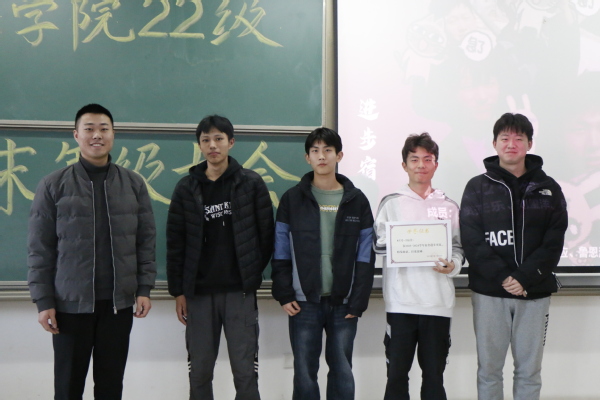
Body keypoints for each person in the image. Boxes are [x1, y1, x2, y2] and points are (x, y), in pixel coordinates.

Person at [27, 103, 157, 400]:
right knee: (68, 387)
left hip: (117, 306)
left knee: (111, 387)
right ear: (76, 135)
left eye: (103, 129)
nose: (96, 135)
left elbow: (146, 241)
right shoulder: (53, 184)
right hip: (69, 307)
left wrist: (144, 288)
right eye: (89, 129)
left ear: (113, 134)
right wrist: (43, 301)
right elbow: (39, 248)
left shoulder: (133, 183)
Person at [460, 113, 568, 400]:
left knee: (529, 372)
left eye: (519, 138)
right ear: (494, 143)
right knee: (489, 371)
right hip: (489, 292)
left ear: (529, 144)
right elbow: (472, 239)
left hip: (534, 292)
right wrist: (504, 277)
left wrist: (524, 278)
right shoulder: (477, 187)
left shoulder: (549, 188)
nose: (511, 144)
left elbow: (554, 241)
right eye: (505, 138)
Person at [166, 114, 274, 400]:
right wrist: (178, 291)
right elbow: (175, 243)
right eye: (206, 140)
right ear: (200, 145)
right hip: (198, 294)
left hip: (239, 292)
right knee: (200, 372)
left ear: (231, 142)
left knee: (245, 372)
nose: (212, 145)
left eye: (218, 139)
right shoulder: (186, 188)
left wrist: (249, 273)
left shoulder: (251, 184)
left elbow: (266, 236)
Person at [271, 127, 375, 400]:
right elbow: (280, 250)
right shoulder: (292, 199)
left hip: (344, 302)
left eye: (328, 150)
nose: (321, 156)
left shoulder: (357, 200)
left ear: (339, 155)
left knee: (342, 370)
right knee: (305, 371)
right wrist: (284, 293)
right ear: (307, 157)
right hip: (303, 301)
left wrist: (358, 299)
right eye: (315, 151)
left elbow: (366, 255)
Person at [373, 132, 464, 400]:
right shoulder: (391, 202)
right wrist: (406, 243)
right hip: (401, 303)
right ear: (404, 165)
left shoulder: (449, 206)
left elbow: (458, 248)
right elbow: (378, 244)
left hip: (438, 302)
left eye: (427, 159)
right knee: (396, 376)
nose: (421, 165)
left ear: (436, 164)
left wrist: (453, 265)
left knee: (434, 378)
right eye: (414, 159)